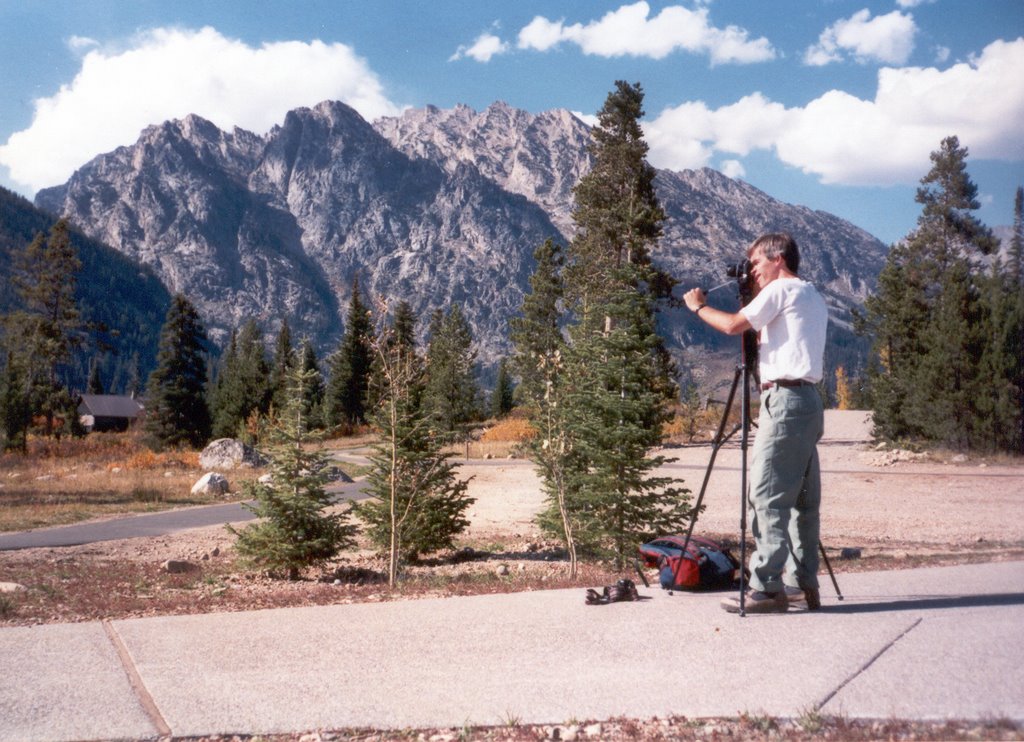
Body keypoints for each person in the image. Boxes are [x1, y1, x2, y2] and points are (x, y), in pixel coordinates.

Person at [683, 233, 828, 614]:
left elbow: (734, 325)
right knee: (802, 500)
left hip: (784, 400)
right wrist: (751, 292)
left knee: (767, 494)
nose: (753, 272)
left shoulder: (781, 290)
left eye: (757, 264)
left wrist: (698, 307)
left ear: (777, 258)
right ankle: (802, 583)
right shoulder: (811, 293)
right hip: (809, 401)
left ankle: (766, 587)